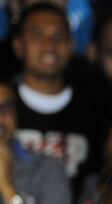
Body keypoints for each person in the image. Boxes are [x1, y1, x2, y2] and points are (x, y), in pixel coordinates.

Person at [11, 3, 101, 185]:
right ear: (19, 46)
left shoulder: (95, 108)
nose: (49, 45)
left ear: (71, 46)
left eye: (59, 36)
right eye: (38, 35)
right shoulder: (4, 105)